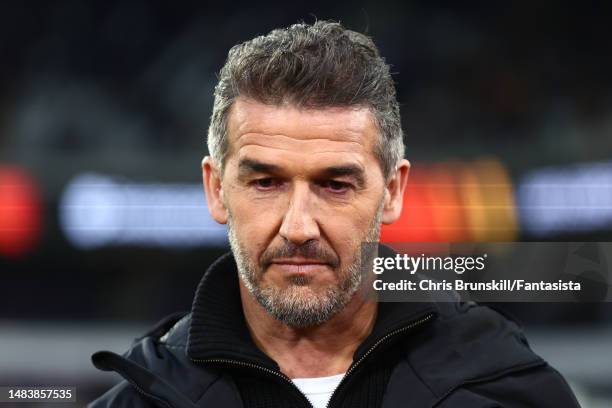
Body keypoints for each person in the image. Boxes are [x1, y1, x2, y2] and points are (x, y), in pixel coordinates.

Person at [89, 20, 580, 407]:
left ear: (392, 191)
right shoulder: (140, 400)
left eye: (335, 185)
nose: (299, 227)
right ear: (216, 190)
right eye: (266, 183)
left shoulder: (506, 390)